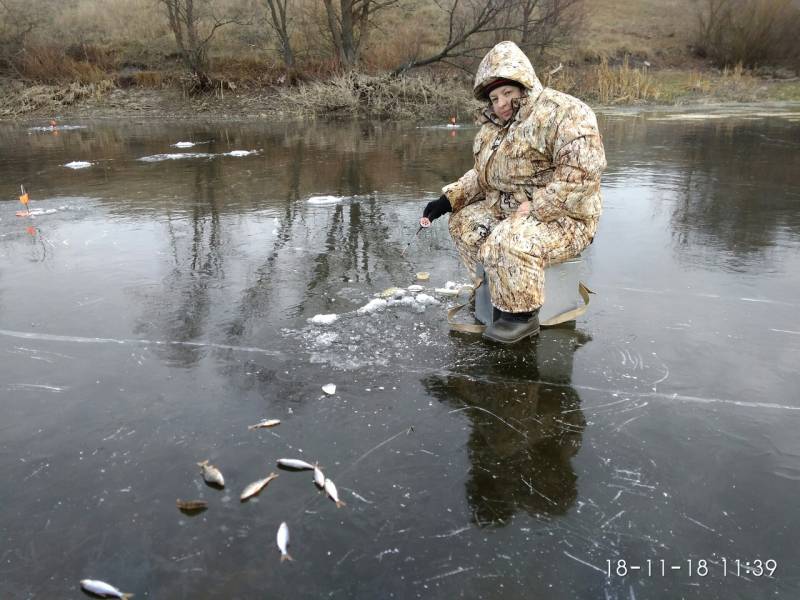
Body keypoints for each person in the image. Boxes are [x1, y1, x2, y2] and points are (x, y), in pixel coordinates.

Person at [420, 41, 606, 344]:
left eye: (507, 93)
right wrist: (448, 199)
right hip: (510, 211)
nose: (500, 103)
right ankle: (495, 292)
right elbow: (485, 176)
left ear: (524, 86)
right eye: (494, 97)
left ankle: (520, 317)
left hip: (565, 216)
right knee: (464, 222)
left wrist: (535, 206)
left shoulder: (564, 112)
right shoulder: (494, 128)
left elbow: (584, 175)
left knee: (509, 240)